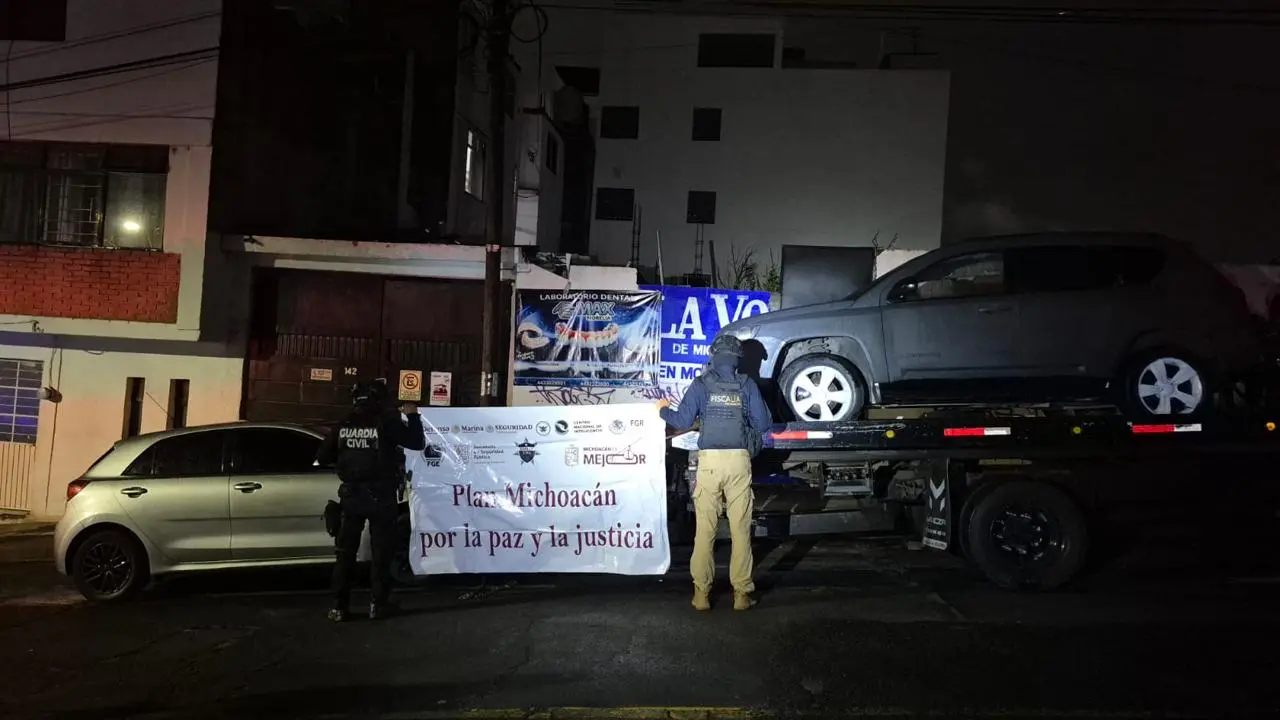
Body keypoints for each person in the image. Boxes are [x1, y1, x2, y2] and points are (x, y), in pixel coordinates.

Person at [657, 334, 772, 611]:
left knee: (705, 531)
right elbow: (764, 424)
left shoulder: (701, 384)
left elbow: (681, 420)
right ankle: (741, 595)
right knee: (740, 530)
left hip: (709, 464)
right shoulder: (746, 384)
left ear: (713, 356)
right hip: (738, 462)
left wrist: (662, 410)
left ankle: (701, 595)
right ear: (738, 358)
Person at [317, 377, 426, 622]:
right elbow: (416, 442)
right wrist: (413, 416)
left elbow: (323, 456)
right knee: (381, 553)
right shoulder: (386, 421)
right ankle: (378, 604)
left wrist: (349, 459)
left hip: (351, 496)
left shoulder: (344, 423)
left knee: (345, 554)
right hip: (380, 496)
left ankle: (339, 607)